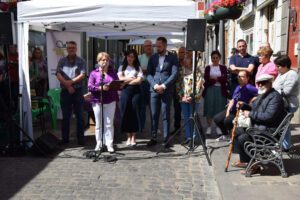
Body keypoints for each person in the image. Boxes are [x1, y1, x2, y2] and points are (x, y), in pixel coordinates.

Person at [232, 74, 286, 174]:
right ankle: (246, 160)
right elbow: (255, 108)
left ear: (270, 83)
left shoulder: (275, 97)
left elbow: (268, 116)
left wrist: (250, 114)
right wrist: (245, 105)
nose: (260, 85)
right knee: (237, 131)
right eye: (258, 83)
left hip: (269, 131)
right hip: (261, 127)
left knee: (243, 137)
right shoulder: (263, 95)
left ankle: (254, 165)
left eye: (263, 83)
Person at [146, 36, 178, 147]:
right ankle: (153, 137)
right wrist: (155, 85)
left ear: (165, 45)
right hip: (154, 90)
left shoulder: (173, 58)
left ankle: (166, 138)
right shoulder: (153, 58)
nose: (157, 48)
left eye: (159, 46)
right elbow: (149, 74)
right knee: (154, 114)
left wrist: (163, 86)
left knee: (166, 114)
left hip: (167, 90)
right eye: (156, 46)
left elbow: (174, 74)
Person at [56, 41, 86, 145]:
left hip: (77, 91)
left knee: (80, 116)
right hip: (65, 91)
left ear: (76, 48)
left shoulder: (81, 60)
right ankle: (65, 139)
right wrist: (68, 85)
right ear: (67, 49)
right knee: (66, 117)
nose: (71, 49)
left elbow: (82, 75)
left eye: (73, 47)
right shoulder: (62, 60)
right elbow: (58, 73)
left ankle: (80, 138)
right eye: (69, 48)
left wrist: (71, 83)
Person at [214, 71, 258, 142]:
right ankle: (226, 135)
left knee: (227, 121)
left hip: (239, 111)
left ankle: (233, 136)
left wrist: (251, 100)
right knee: (217, 119)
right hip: (232, 109)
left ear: (247, 78)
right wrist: (228, 111)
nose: (240, 78)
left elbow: (261, 94)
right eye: (239, 76)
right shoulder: (237, 87)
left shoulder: (249, 87)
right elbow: (233, 100)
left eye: (242, 76)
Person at [88, 52, 119, 152]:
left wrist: (116, 85)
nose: (105, 62)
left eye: (107, 60)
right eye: (103, 60)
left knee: (109, 124)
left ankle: (109, 144)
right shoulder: (94, 73)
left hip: (110, 100)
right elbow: (90, 86)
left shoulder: (113, 73)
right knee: (98, 124)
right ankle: (99, 143)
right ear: (98, 61)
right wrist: (100, 88)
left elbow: (117, 84)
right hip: (97, 101)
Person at [176, 52, 203, 145]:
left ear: (191, 59)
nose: (184, 60)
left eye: (187, 58)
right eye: (184, 58)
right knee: (186, 119)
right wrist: (182, 96)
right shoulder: (181, 71)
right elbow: (178, 85)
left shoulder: (197, 72)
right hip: (183, 99)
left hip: (194, 99)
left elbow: (199, 86)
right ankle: (188, 137)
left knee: (193, 118)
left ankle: (194, 138)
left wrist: (193, 97)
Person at [273, 55, 299, 150]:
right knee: (282, 125)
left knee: (285, 126)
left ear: (285, 65)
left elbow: (286, 91)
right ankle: (282, 144)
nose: (277, 68)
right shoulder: (282, 73)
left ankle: (285, 146)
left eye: (279, 66)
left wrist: (272, 92)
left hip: (289, 104)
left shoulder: (292, 74)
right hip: (281, 103)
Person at [118, 49, 143, 146]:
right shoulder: (122, 67)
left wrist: (126, 82)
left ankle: (134, 137)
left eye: (132, 56)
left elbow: (139, 81)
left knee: (135, 113)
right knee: (126, 113)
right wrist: (130, 79)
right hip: (125, 93)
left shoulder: (138, 68)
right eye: (128, 56)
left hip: (136, 92)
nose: (130, 58)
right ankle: (128, 136)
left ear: (135, 58)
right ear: (126, 57)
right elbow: (120, 79)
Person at [202, 50, 228, 135]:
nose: (215, 59)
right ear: (211, 58)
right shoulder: (208, 68)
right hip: (210, 89)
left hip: (221, 90)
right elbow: (206, 80)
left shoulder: (223, 67)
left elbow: (224, 80)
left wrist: (214, 78)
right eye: (213, 58)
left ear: (219, 58)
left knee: (220, 109)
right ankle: (209, 127)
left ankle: (218, 127)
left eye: (217, 58)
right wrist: (219, 78)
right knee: (209, 108)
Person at [170, 46, 186, 135]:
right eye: (180, 53)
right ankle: (177, 128)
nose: (182, 54)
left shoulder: (189, 63)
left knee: (187, 111)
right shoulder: (175, 63)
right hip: (176, 90)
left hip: (187, 90)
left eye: (183, 52)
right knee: (177, 111)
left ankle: (189, 131)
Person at [138, 40, 153, 132]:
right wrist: (146, 71)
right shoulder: (140, 57)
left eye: (150, 46)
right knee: (142, 108)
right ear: (144, 47)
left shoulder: (155, 57)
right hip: (143, 84)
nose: (148, 47)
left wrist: (146, 70)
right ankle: (141, 127)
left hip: (152, 85)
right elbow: (138, 70)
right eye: (147, 46)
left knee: (153, 108)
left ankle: (153, 128)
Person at [7, 45, 19, 112]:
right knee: (9, 96)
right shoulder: (7, 56)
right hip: (8, 80)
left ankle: (16, 110)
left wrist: (13, 63)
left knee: (15, 95)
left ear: (16, 48)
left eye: (12, 47)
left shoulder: (19, 55)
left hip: (17, 80)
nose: (11, 49)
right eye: (10, 47)